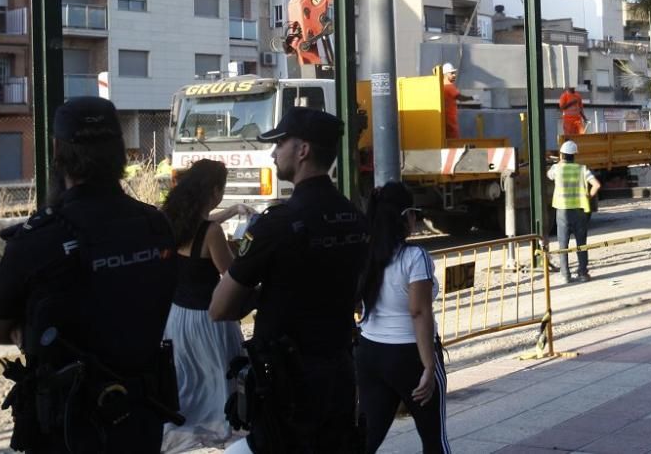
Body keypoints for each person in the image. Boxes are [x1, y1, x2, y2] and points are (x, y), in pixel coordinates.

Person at [0, 97, 179, 453]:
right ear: (121, 152)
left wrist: (30, 328)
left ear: (58, 152)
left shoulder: (38, 238)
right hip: (141, 419)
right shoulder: (156, 225)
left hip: (69, 427)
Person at [209, 107, 368, 453]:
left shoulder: (277, 224)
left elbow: (220, 307)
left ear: (303, 150)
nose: (273, 151)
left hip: (288, 387)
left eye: (280, 142)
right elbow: (357, 291)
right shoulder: (354, 218)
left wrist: (266, 290)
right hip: (340, 374)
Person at [160, 159, 249, 452]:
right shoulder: (211, 233)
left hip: (177, 317)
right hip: (208, 319)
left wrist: (233, 211)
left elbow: (204, 224)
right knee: (220, 373)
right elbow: (230, 273)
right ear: (213, 192)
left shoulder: (172, 219)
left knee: (188, 377)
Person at [355, 182, 451, 454]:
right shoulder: (415, 257)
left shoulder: (366, 254)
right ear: (406, 216)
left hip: (370, 351)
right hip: (410, 355)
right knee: (434, 439)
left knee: (368, 437)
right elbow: (419, 312)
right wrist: (429, 366)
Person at [546, 140, 601, 284]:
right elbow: (596, 185)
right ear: (574, 155)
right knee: (581, 244)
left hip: (563, 212)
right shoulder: (582, 169)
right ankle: (583, 273)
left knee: (563, 245)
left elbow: (549, 175)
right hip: (580, 211)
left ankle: (565, 275)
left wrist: (558, 162)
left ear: (562, 154)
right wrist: (588, 195)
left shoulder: (556, 169)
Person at [441, 62, 473, 139]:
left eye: (454, 73)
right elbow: (460, 97)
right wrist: (472, 98)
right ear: (445, 74)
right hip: (450, 119)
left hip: (444, 119)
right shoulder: (449, 87)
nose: (454, 75)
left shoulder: (441, 86)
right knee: (454, 140)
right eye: (452, 73)